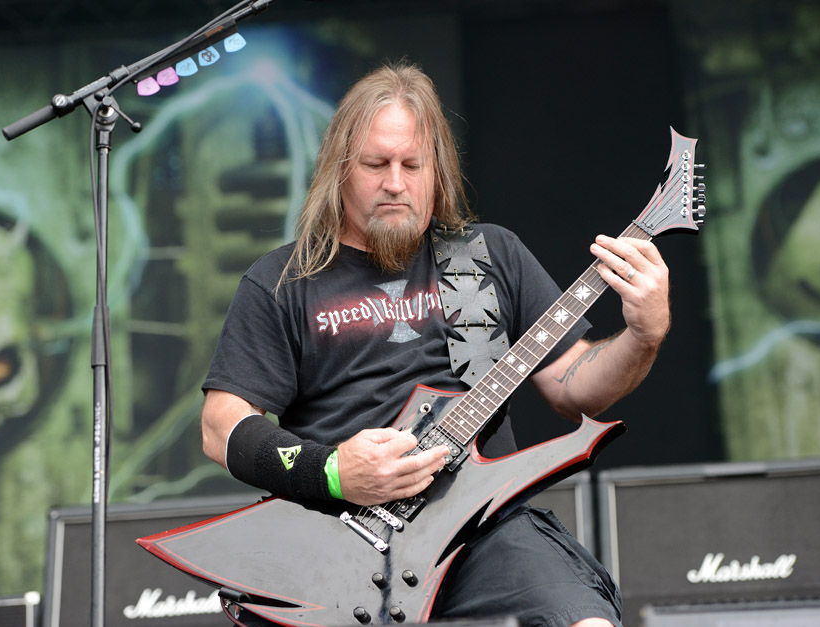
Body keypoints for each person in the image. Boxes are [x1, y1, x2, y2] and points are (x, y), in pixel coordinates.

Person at [200, 62, 670, 627]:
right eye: (376, 164)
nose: (395, 183)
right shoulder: (283, 281)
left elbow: (574, 388)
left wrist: (644, 334)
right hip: (341, 544)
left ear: (437, 171)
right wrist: (333, 471)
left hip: (485, 533)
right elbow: (221, 426)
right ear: (339, 170)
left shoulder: (490, 255)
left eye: (412, 165)